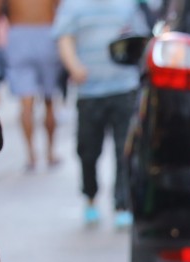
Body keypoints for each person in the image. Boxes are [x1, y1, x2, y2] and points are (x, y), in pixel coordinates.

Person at [52, 0, 147, 229]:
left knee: (124, 149)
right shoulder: (73, 6)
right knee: (88, 149)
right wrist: (74, 66)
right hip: (89, 92)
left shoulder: (128, 4)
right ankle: (90, 197)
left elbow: (141, 39)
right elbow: (64, 38)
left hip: (124, 88)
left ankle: (122, 204)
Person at [0, 0, 61, 171]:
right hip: (47, 32)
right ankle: (50, 152)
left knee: (26, 103)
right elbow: (60, 8)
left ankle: (31, 155)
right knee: (49, 99)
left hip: (19, 34)